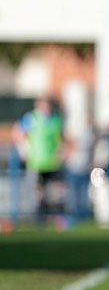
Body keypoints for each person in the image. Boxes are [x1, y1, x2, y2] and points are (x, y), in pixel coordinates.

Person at [12, 97, 64, 226]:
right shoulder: (32, 118)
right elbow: (17, 132)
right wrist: (24, 150)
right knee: (38, 192)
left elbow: (61, 138)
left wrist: (62, 151)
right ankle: (40, 218)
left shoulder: (56, 119)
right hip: (37, 162)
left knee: (56, 191)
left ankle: (57, 216)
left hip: (53, 161)